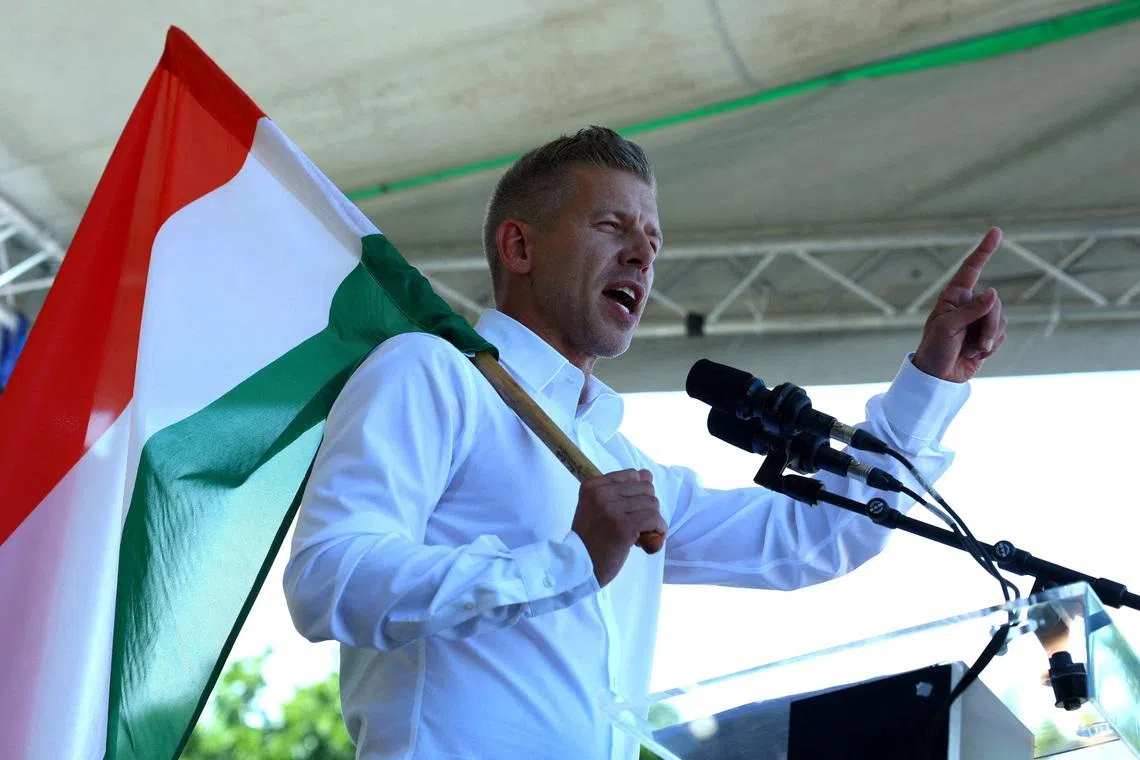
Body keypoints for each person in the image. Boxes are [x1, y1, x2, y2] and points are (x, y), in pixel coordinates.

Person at [283, 127, 1007, 760]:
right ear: (520, 244)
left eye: (653, 241)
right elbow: (329, 578)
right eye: (611, 226)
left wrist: (931, 381)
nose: (642, 256)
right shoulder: (433, 372)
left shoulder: (621, 462)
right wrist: (566, 562)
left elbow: (816, 537)